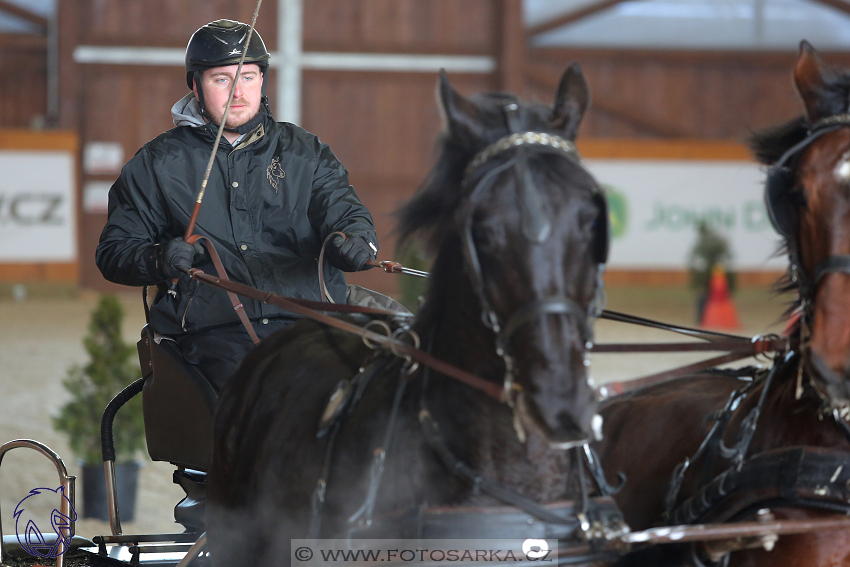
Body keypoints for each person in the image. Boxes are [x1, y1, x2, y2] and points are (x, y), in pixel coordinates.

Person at [96, 19, 378, 391]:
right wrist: (158, 258)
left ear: (262, 80)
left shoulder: (304, 151)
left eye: (247, 77)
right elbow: (114, 252)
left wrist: (355, 240)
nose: (237, 93)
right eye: (221, 80)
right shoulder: (155, 165)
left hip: (313, 319)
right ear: (196, 86)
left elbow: (347, 214)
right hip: (216, 333)